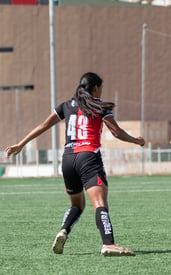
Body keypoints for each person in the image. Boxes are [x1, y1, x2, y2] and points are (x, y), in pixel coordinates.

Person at [5, 72, 145, 256]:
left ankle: (63, 230)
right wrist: (137, 141)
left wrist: (21, 144)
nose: (101, 92)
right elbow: (116, 132)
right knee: (100, 202)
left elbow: (43, 125)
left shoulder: (66, 106)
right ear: (95, 88)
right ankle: (108, 244)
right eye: (100, 88)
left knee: (77, 205)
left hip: (68, 160)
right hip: (88, 157)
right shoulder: (99, 106)